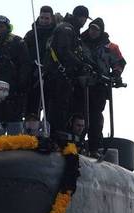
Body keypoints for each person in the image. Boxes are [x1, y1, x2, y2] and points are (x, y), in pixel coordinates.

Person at [79, 17, 125, 155]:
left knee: (95, 117)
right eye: (91, 28)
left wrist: (116, 74)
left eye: (96, 30)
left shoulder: (110, 47)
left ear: (101, 31)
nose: (93, 32)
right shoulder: (79, 42)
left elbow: (120, 62)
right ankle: (77, 143)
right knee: (79, 114)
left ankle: (94, 147)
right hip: (81, 84)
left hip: (99, 86)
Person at [45, 5, 91, 138]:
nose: (84, 22)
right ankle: (56, 135)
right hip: (58, 76)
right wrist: (80, 65)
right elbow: (63, 51)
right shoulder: (66, 29)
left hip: (63, 76)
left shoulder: (70, 29)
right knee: (59, 107)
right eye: (84, 19)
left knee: (63, 106)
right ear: (81, 17)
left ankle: (59, 133)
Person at [23, 5, 57, 124]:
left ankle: (48, 130)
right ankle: (31, 130)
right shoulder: (31, 34)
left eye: (47, 18)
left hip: (51, 76)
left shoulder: (55, 34)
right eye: (42, 18)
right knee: (32, 106)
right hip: (33, 75)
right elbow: (23, 53)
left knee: (50, 108)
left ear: (51, 19)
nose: (44, 21)